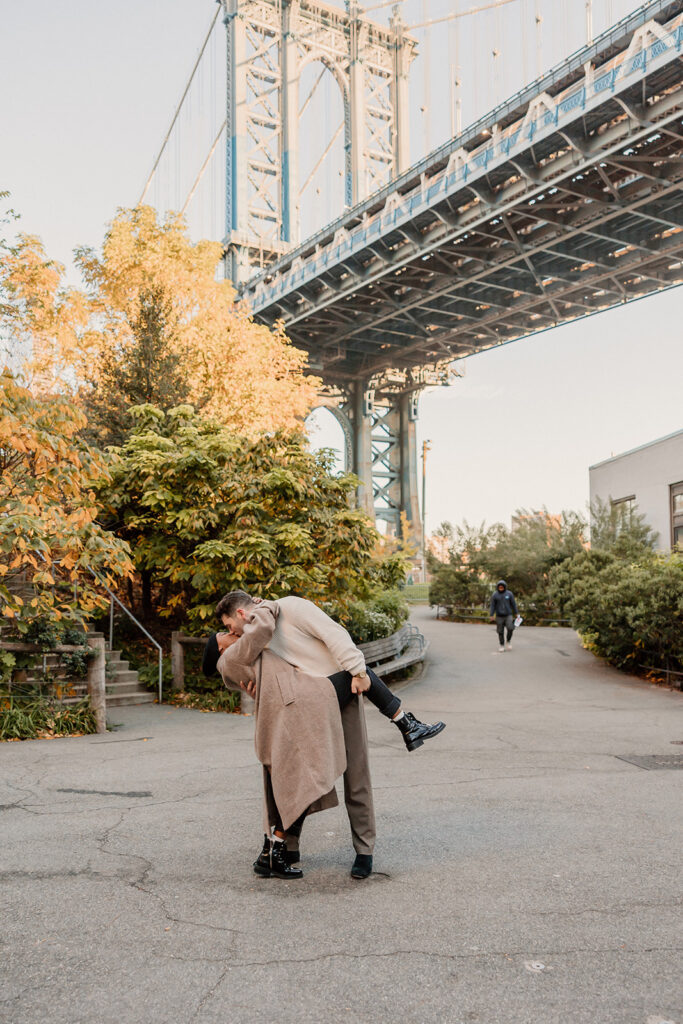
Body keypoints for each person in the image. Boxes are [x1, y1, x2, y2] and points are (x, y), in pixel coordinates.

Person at [212, 589, 445, 879]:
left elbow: (335, 634)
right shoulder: (259, 635)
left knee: (356, 772)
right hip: (309, 706)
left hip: (345, 689)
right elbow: (257, 672)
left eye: (228, 626)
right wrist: (254, 684)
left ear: (240, 614)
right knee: (299, 770)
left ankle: (364, 850)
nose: (229, 633)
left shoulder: (291, 608)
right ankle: (288, 847)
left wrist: (359, 672)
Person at [204, 615, 347, 881]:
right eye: (224, 633)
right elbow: (264, 629)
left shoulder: (240, 659)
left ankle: (269, 852)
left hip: (282, 720)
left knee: (294, 786)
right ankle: (275, 850)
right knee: (304, 782)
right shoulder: (232, 658)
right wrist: (260, 608)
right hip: (292, 717)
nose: (231, 633)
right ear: (220, 649)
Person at [489, 579, 518, 652]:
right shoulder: (495, 595)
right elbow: (492, 605)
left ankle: (508, 641)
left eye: (502, 587)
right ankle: (502, 645)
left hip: (508, 615)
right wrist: (491, 615)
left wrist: (516, 613)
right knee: (500, 631)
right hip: (499, 616)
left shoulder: (509, 594)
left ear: (505, 587)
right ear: (498, 587)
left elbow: (513, 604)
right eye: (499, 587)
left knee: (510, 628)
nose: (501, 588)